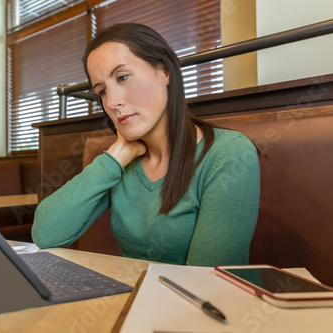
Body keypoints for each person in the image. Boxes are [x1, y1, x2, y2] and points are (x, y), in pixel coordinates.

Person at [32, 23, 260, 266]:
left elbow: (207, 285)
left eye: (122, 77)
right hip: (127, 298)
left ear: (164, 71)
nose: (112, 102)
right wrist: (117, 156)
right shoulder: (119, 163)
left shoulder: (229, 154)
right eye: (102, 91)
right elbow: (46, 234)